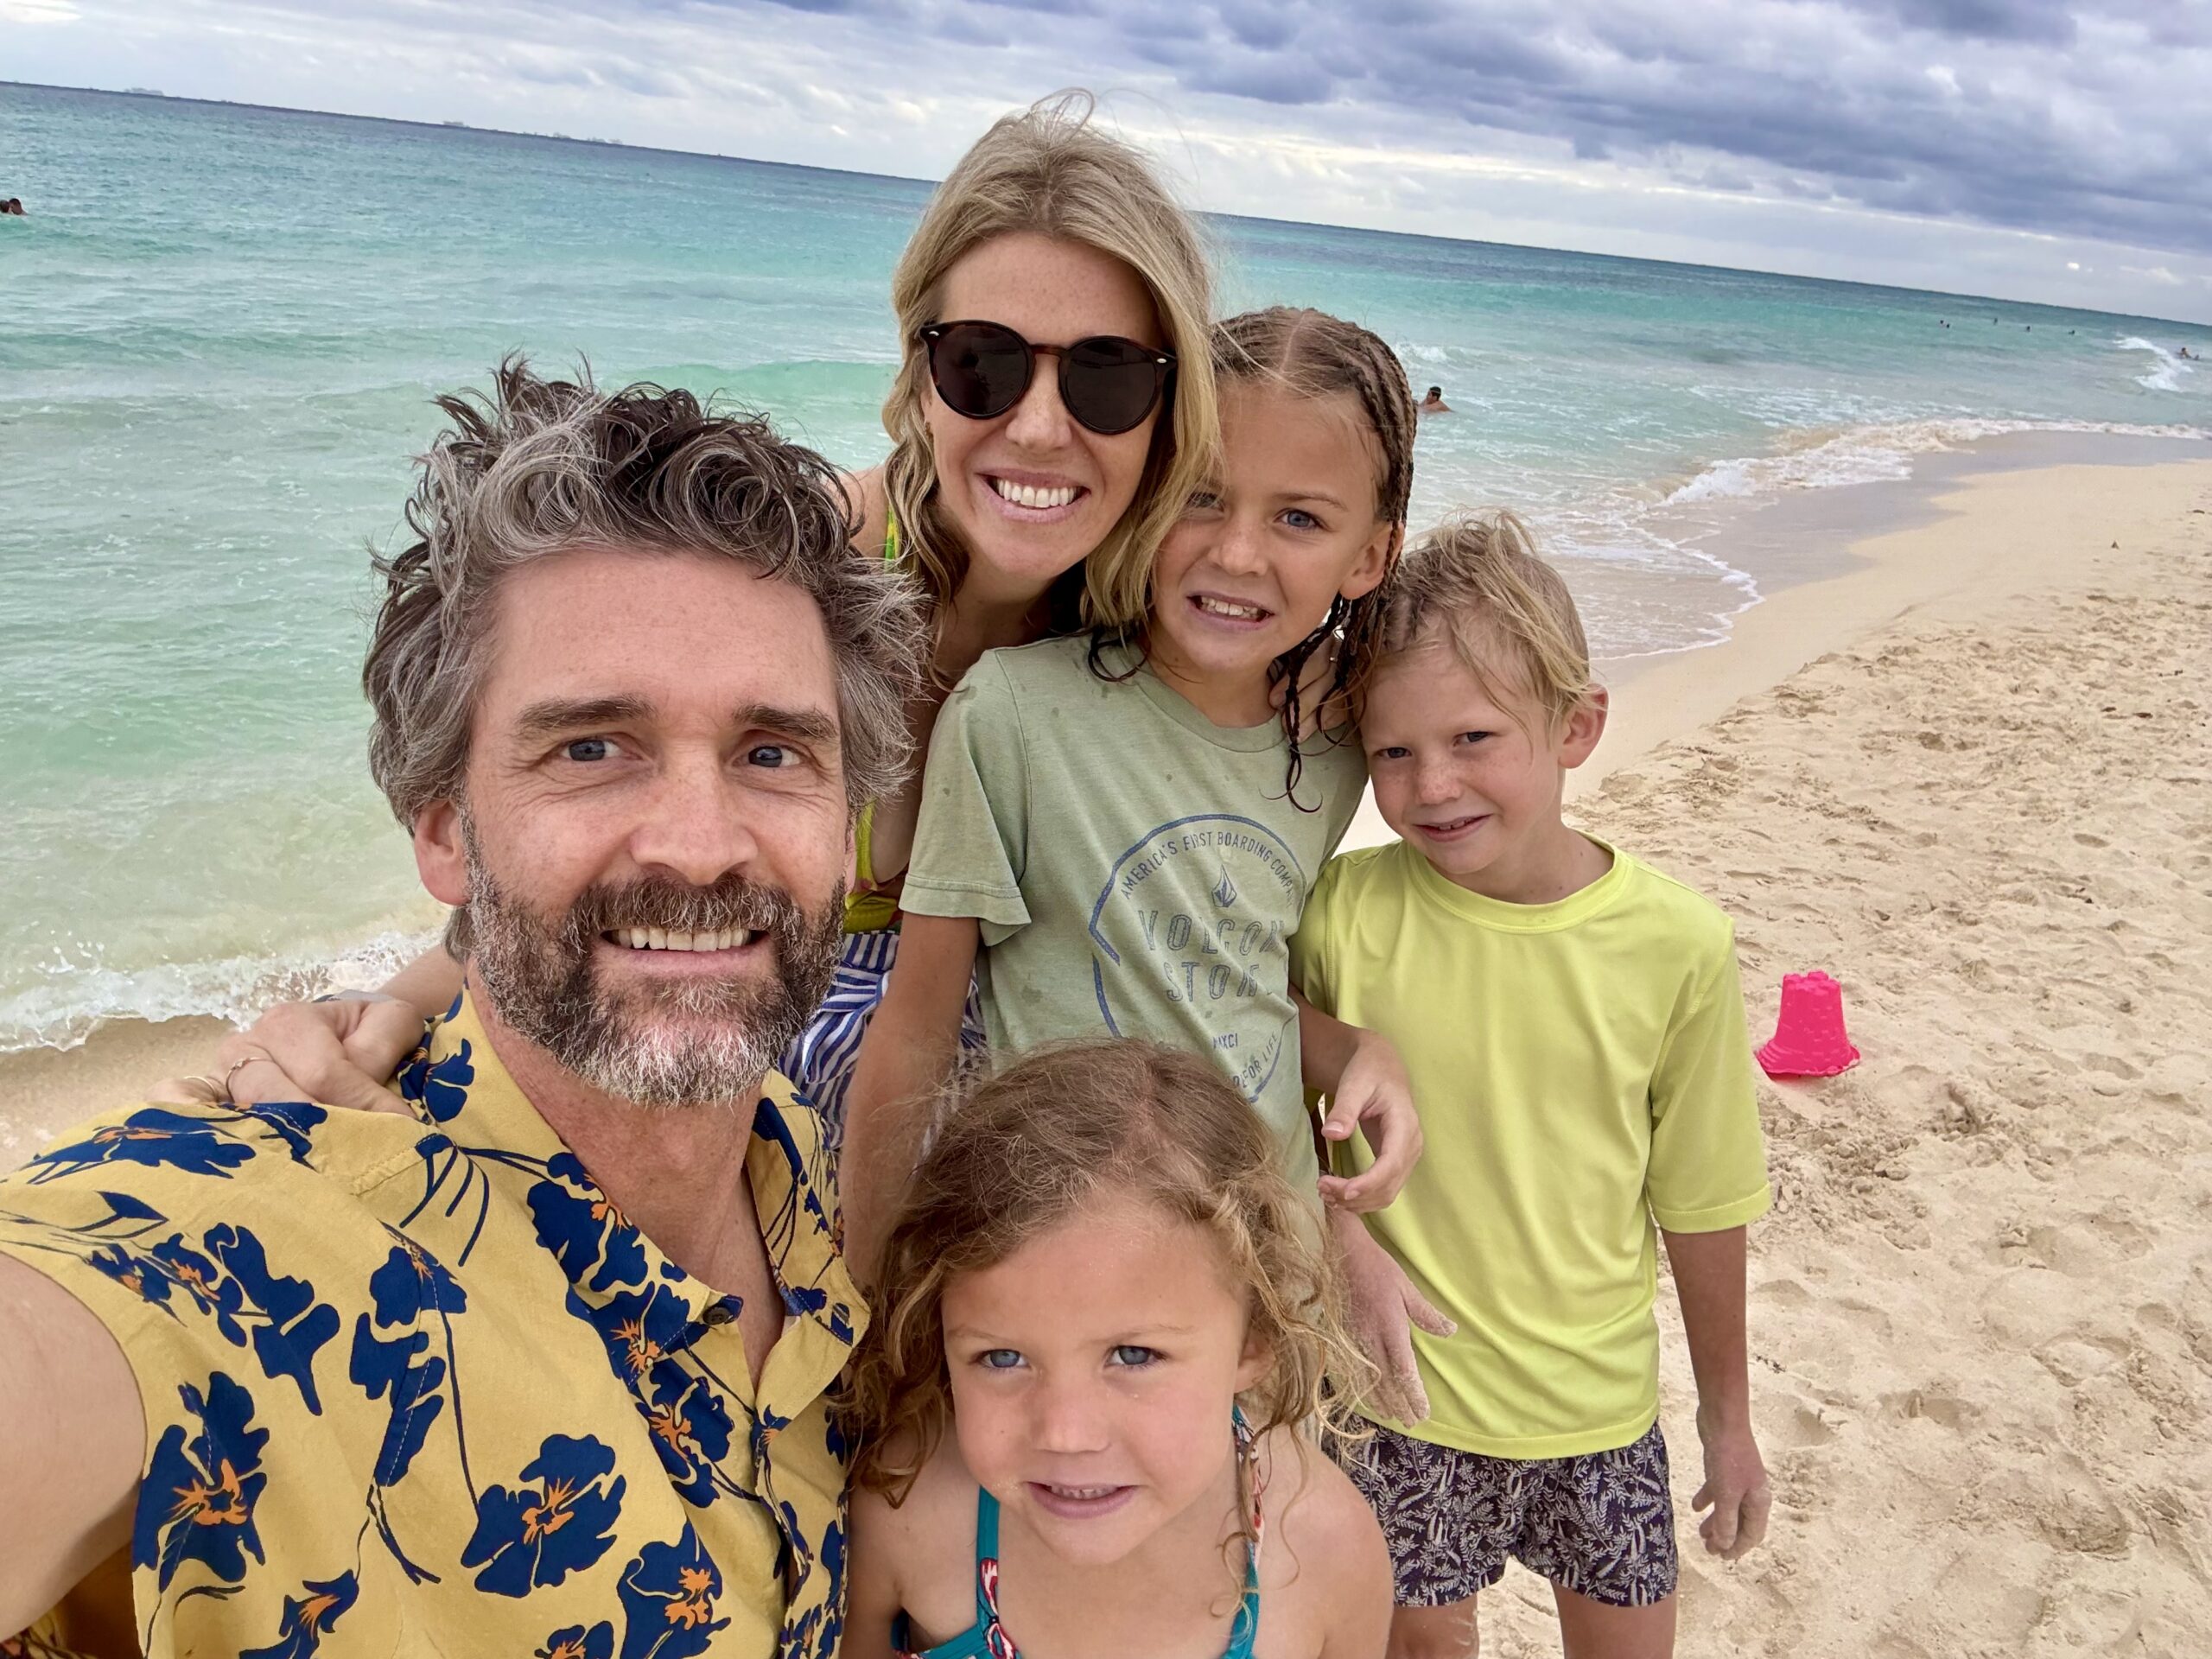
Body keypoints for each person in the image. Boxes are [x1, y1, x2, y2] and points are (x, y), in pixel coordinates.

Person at [0, 361, 927, 1657]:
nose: (704, 845)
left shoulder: (811, 1196)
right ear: (444, 832)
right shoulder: (254, 1253)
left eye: (774, 754)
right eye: (592, 747)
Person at [186, 92, 1222, 1145]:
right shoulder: (789, 572)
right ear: (918, 380)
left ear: (1170, 407)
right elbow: (596, 807)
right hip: (725, 1037)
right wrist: (398, 1007)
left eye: (1107, 376)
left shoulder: (1167, 637)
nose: (1040, 427)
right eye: (983, 366)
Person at [840, 306, 1429, 1288]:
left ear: (1368, 557)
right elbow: (916, 1031)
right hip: (1067, 1258)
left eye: (1299, 519)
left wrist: (1360, 1055)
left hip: (1268, 1264)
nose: (1237, 554)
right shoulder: (1013, 714)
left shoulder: (1339, 739)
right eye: (1201, 496)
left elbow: (1230, 980)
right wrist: (868, 1291)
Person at [1291, 514, 1773, 1659]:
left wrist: (1729, 1415)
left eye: (1473, 738)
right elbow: (1252, 1066)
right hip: (1398, 1404)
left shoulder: (1679, 946)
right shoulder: (1341, 911)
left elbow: (1702, 1200)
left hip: (1598, 1412)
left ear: (1577, 726)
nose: (1432, 783)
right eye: (1394, 751)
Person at [842, 1040, 1392, 1659]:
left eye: (1133, 1356)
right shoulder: (905, 1510)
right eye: (1002, 1358)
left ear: (1253, 1340)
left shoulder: (1327, 1555)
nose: (1066, 1433)